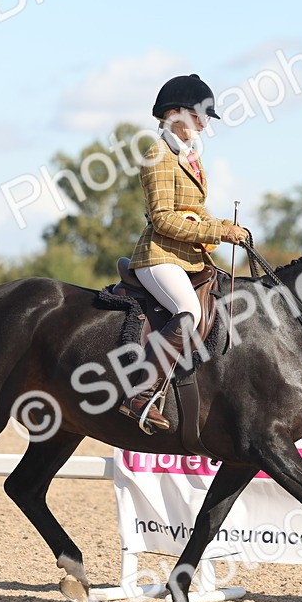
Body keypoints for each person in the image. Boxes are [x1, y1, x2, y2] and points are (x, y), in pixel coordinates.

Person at [117, 74, 251, 432]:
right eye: (198, 116)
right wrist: (217, 231)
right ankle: (141, 393)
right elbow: (163, 219)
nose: (204, 124)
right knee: (188, 311)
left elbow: (196, 212)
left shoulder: (189, 157)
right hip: (159, 256)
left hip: (188, 257)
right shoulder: (158, 155)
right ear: (173, 112)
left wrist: (225, 228)